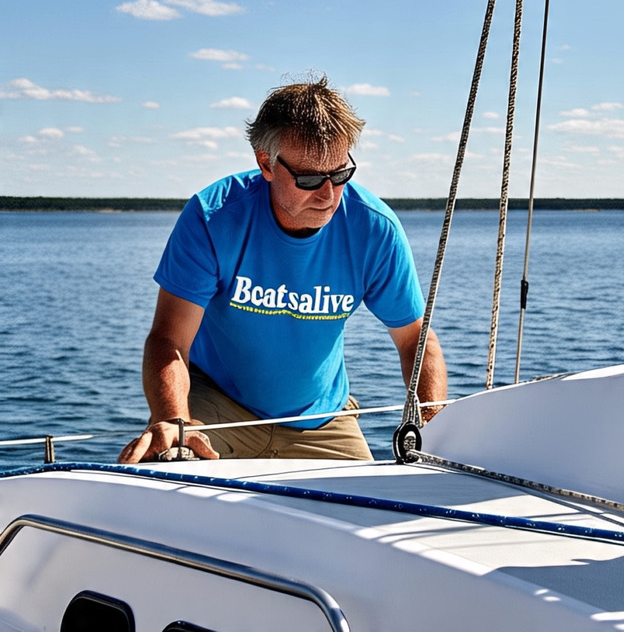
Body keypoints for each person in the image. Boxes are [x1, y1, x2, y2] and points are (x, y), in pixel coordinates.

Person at [119, 76, 447, 463]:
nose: (328, 195)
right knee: (170, 470)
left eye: (340, 175)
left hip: (322, 419)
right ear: (266, 163)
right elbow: (169, 340)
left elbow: (416, 340)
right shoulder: (213, 218)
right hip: (220, 406)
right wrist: (171, 419)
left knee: (378, 513)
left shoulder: (375, 229)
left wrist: (433, 428)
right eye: (309, 179)